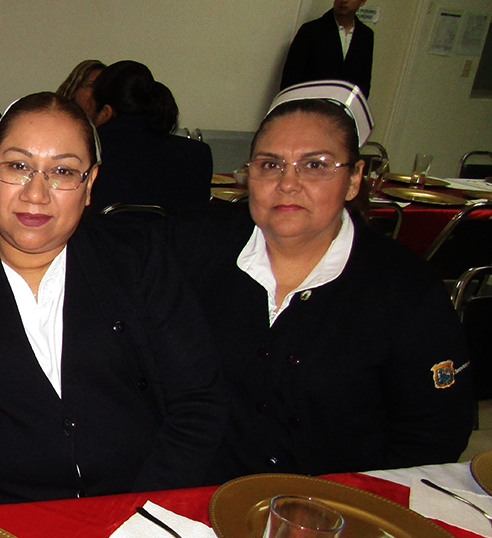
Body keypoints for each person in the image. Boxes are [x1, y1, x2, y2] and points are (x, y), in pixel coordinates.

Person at [0, 92, 227, 508]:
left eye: (63, 172)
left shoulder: (136, 260)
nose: (36, 193)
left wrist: (143, 516)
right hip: (2, 524)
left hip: (142, 512)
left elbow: (198, 403)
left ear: (89, 185)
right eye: (18, 166)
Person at [167, 81, 471, 482]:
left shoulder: (404, 287)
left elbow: (435, 431)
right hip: (192, 501)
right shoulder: (192, 249)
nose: (288, 184)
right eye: (270, 164)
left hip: (337, 514)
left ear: (354, 178)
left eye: (315, 165)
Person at [88, 60, 212, 213]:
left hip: (102, 236)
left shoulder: (90, 153)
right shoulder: (197, 154)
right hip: (174, 237)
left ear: (106, 111)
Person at [281, 0, 374, 98]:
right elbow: (290, 78)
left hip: (343, 109)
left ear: (363, 0)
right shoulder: (311, 30)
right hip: (309, 105)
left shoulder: (365, 35)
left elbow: (363, 81)